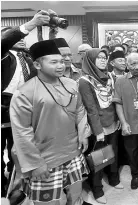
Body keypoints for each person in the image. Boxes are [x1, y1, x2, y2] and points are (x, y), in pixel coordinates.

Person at [10, 39, 91, 205]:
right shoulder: (25, 93)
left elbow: (80, 110)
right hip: (45, 158)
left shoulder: (71, 84)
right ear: (38, 65)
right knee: (48, 201)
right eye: (54, 62)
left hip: (73, 151)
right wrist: (35, 164)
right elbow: (21, 132)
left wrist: (83, 134)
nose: (61, 65)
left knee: (75, 194)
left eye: (61, 61)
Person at [1, 10, 50, 197]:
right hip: (3, 109)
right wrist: (29, 25)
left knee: (20, 150)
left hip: (25, 109)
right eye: (16, 36)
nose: (22, 39)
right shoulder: (4, 55)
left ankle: (19, 185)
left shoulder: (27, 57)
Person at [79, 48, 123, 204]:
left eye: (105, 57)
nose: (103, 60)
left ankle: (113, 178)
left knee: (113, 153)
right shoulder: (85, 81)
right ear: (91, 61)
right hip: (98, 126)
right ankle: (97, 189)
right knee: (99, 158)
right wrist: (98, 131)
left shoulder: (111, 76)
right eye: (99, 58)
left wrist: (120, 121)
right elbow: (90, 109)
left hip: (113, 122)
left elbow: (116, 100)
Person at [113, 53, 138, 190]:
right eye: (133, 64)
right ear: (127, 65)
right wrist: (123, 123)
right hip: (129, 122)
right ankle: (136, 174)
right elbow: (118, 104)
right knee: (132, 151)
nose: (136, 67)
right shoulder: (120, 81)